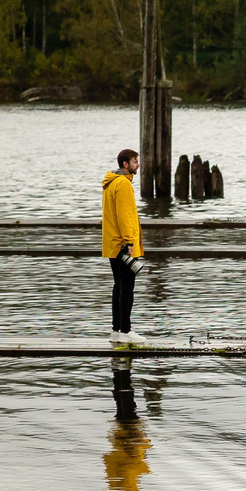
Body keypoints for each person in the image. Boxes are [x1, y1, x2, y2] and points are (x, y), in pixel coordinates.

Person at [101, 148, 146, 345]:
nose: (138, 165)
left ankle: (116, 331)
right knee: (127, 287)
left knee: (118, 286)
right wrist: (129, 241)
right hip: (123, 244)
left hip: (112, 243)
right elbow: (125, 214)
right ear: (125, 164)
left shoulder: (110, 183)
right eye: (135, 161)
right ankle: (126, 331)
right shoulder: (123, 184)